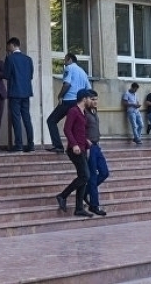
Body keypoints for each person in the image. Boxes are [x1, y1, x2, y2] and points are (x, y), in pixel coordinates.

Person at [55, 88, 94, 218]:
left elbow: (80, 130)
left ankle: (79, 208)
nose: (91, 100)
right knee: (85, 176)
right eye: (89, 98)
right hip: (74, 149)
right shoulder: (73, 111)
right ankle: (62, 196)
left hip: (82, 148)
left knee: (83, 177)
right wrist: (74, 144)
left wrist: (86, 142)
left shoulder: (83, 112)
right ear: (84, 99)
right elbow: (67, 129)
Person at [46, 53, 90, 153]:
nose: (64, 62)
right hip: (78, 103)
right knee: (74, 125)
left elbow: (67, 84)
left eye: (65, 60)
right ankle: (76, 145)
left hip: (68, 100)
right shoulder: (83, 72)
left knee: (51, 121)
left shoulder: (69, 68)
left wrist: (60, 96)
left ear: (70, 59)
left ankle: (58, 146)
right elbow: (88, 88)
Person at [4, 37, 34, 152]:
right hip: (26, 92)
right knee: (27, 118)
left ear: (12, 45)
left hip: (15, 92)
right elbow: (30, 76)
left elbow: (6, 75)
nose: (7, 49)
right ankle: (31, 144)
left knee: (16, 119)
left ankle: (19, 144)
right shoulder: (28, 59)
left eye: (8, 47)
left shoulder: (10, 58)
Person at [84, 89, 108, 216]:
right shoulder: (83, 112)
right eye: (92, 99)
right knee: (93, 176)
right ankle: (94, 205)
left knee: (104, 172)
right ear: (86, 100)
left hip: (97, 146)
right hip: (89, 147)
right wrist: (86, 142)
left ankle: (85, 192)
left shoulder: (94, 111)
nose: (95, 102)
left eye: (96, 99)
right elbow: (79, 130)